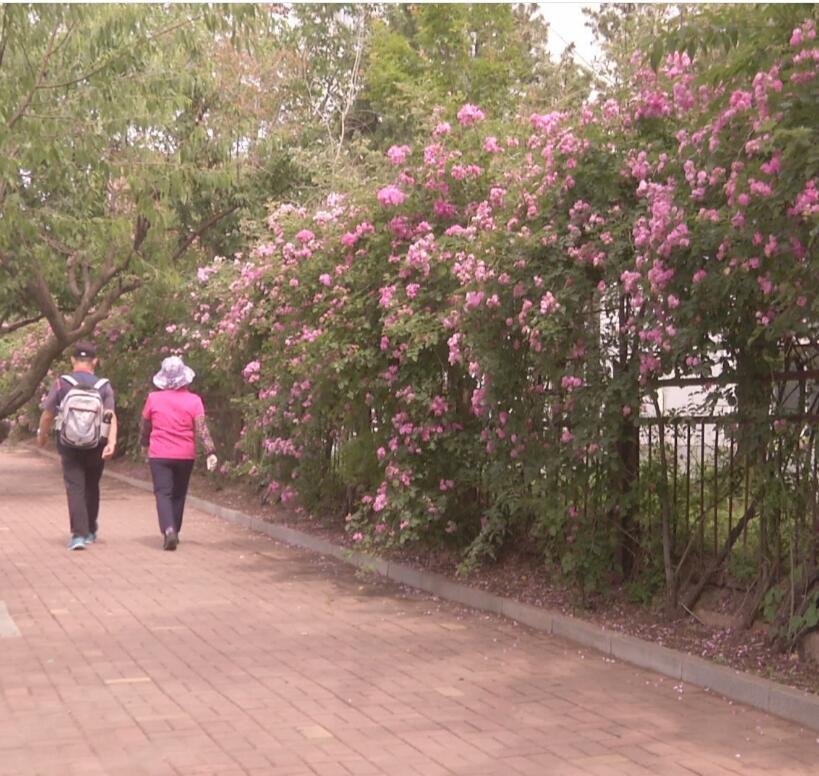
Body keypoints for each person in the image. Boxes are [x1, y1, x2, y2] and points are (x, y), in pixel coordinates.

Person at [37, 341, 117, 550]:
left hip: (69, 444)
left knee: (75, 487)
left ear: (73, 360)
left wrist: (42, 435)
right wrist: (112, 442)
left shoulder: (62, 383)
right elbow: (109, 415)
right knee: (92, 485)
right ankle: (90, 529)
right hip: (96, 443)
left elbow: (48, 414)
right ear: (95, 361)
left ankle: (79, 535)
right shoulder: (104, 386)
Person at [140, 355, 217, 551]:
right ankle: (175, 529)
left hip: (159, 454)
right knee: (179, 494)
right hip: (185, 455)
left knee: (163, 493)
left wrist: (143, 445)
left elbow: (145, 426)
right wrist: (210, 452)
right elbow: (202, 429)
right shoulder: (194, 400)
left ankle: (168, 530)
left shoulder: (153, 398)